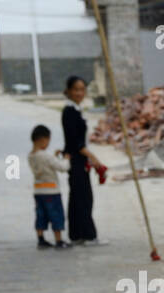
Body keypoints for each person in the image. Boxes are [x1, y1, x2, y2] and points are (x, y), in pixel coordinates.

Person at [61, 75, 107, 246]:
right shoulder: (69, 112)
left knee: (78, 197)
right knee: (83, 197)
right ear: (69, 91)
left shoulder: (76, 110)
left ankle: (77, 234)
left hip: (79, 159)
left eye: (82, 89)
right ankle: (87, 235)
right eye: (76, 89)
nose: (80, 93)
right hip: (77, 160)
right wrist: (94, 158)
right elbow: (75, 142)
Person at [28, 124, 70, 249]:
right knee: (56, 215)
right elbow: (62, 167)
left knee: (41, 216)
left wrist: (54, 156)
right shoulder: (46, 155)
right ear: (43, 140)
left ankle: (41, 239)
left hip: (38, 191)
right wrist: (66, 159)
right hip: (51, 192)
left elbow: (45, 166)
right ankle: (58, 240)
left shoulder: (31, 156)